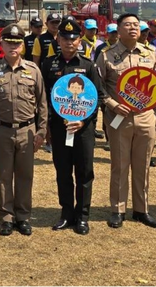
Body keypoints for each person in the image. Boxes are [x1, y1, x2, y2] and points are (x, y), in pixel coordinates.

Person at [97, 13, 156, 229]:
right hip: (119, 116)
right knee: (119, 165)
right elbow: (98, 85)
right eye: (128, 24)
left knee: (142, 164)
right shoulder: (106, 55)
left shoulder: (150, 53)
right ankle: (118, 209)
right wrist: (111, 104)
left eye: (136, 24)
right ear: (118, 30)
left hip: (146, 116)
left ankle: (141, 209)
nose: (133, 28)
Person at [0, 24, 47, 237]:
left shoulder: (33, 70)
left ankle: (23, 216)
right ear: (1, 44)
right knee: (2, 175)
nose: (13, 46)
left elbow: (42, 103)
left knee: (25, 175)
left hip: (27, 130)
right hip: (1, 130)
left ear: (22, 45)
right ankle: (6, 218)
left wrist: (41, 131)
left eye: (17, 43)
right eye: (8, 42)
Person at [41, 17, 104, 235]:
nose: (69, 42)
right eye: (65, 38)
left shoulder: (88, 66)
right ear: (58, 40)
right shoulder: (48, 65)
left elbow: (97, 99)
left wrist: (83, 121)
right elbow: (44, 98)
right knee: (63, 172)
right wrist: (48, 124)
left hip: (83, 129)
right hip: (59, 128)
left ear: (80, 41)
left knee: (85, 172)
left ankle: (83, 216)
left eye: (74, 38)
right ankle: (66, 213)